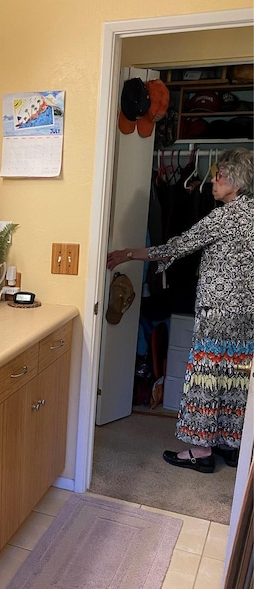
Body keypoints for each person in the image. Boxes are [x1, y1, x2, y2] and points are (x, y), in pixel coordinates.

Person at [107, 148, 254, 474]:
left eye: (220, 175)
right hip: (246, 317)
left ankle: (201, 451)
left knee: (206, 379)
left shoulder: (223, 217)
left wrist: (128, 252)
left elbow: (176, 246)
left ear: (236, 180)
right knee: (236, 380)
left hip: (217, 315)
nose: (213, 180)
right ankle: (232, 448)